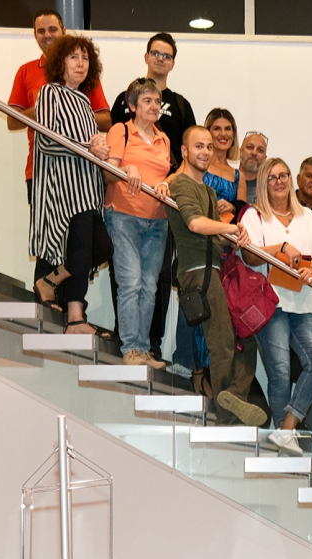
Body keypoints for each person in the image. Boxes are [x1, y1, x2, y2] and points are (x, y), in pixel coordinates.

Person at [165, 126, 266, 427]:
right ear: (184, 151)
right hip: (197, 273)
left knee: (244, 338)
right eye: (199, 146)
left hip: (213, 270)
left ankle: (232, 397)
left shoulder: (208, 191)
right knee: (221, 342)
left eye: (209, 147)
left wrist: (234, 239)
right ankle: (226, 413)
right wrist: (231, 227)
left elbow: (211, 234)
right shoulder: (181, 183)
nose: (206, 152)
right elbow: (195, 224)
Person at [236, 157, 312, 456]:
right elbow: (248, 255)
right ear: (264, 183)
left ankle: (286, 430)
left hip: (305, 303)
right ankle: (284, 439)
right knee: (279, 372)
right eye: (271, 177)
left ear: (291, 180)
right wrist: (279, 249)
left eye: (283, 176)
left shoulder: (307, 216)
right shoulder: (254, 215)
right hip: (270, 302)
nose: (278, 181)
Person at [28, 35, 114, 337]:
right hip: (63, 188)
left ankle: (50, 281)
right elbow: (47, 141)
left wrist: (99, 147)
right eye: (74, 57)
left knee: (102, 248)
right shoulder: (49, 93)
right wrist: (89, 147)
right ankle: (76, 318)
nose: (81, 63)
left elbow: (87, 144)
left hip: (88, 189)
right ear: (60, 62)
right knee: (80, 250)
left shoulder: (85, 102)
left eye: (85, 58)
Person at [7, 8, 111, 206]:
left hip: (84, 170)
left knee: (86, 225)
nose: (47, 35)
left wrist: (73, 110)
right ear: (34, 35)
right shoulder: (25, 71)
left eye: (52, 29)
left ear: (63, 31)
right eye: (41, 31)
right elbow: (12, 121)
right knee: (49, 225)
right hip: (41, 170)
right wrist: (47, 106)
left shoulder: (85, 73)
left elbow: (106, 120)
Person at [102, 77, 172, 369]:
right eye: (147, 101)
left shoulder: (164, 139)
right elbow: (107, 173)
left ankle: (143, 350)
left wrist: (168, 183)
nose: (154, 106)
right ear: (132, 105)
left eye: (157, 101)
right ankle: (130, 348)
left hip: (157, 222)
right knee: (130, 283)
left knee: (149, 287)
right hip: (124, 215)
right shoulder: (120, 131)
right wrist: (125, 167)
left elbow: (165, 175)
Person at [109, 33, 195, 170]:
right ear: (146, 57)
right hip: (127, 176)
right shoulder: (125, 98)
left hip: (167, 179)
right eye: (155, 54)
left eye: (166, 56)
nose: (160, 59)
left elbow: (191, 149)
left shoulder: (181, 105)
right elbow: (111, 141)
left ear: (172, 64)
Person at [202, 108, 246, 213]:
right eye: (217, 129)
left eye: (228, 129)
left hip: (227, 223)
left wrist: (232, 207)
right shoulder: (197, 165)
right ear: (207, 133)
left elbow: (244, 213)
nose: (223, 133)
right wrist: (164, 185)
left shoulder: (238, 177)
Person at [238, 131, 268, 204]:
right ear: (240, 151)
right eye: (250, 147)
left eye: (260, 150)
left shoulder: (268, 189)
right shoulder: (226, 182)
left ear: (265, 158)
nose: (254, 153)